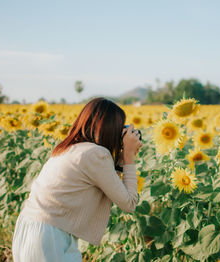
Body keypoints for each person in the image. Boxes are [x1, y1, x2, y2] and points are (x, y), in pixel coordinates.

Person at [12, 98, 143, 261]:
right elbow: (129, 203)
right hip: (49, 236)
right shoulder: (96, 154)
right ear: (110, 129)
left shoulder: (70, 148)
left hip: (31, 229)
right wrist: (129, 156)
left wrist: (122, 158)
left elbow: (106, 180)